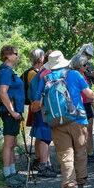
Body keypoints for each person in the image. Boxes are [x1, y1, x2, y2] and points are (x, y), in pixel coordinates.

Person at [31, 51, 94, 188]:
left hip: (56, 121)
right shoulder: (75, 75)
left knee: (65, 154)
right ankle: (80, 183)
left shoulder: (45, 78)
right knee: (80, 151)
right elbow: (90, 95)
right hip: (78, 119)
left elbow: (36, 106)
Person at [0, 45, 26, 187]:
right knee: (8, 144)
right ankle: (7, 174)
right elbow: (3, 92)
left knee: (13, 143)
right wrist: (13, 111)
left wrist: (17, 112)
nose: (17, 56)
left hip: (13, 112)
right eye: (15, 54)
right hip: (9, 112)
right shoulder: (5, 72)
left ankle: (13, 172)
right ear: (7, 56)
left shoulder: (8, 71)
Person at [27, 49, 56, 177]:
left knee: (45, 137)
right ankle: (44, 166)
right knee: (45, 137)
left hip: (40, 108)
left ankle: (46, 164)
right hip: (43, 109)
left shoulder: (42, 71)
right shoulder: (46, 73)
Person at [77, 43, 94, 162]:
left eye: (90, 56)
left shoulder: (90, 65)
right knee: (78, 127)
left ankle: (90, 152)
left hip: (88, 98)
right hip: (76, 99)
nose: (88, 58)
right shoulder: (73, 63)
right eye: (87, 54)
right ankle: (79, 153)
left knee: (89, 127)